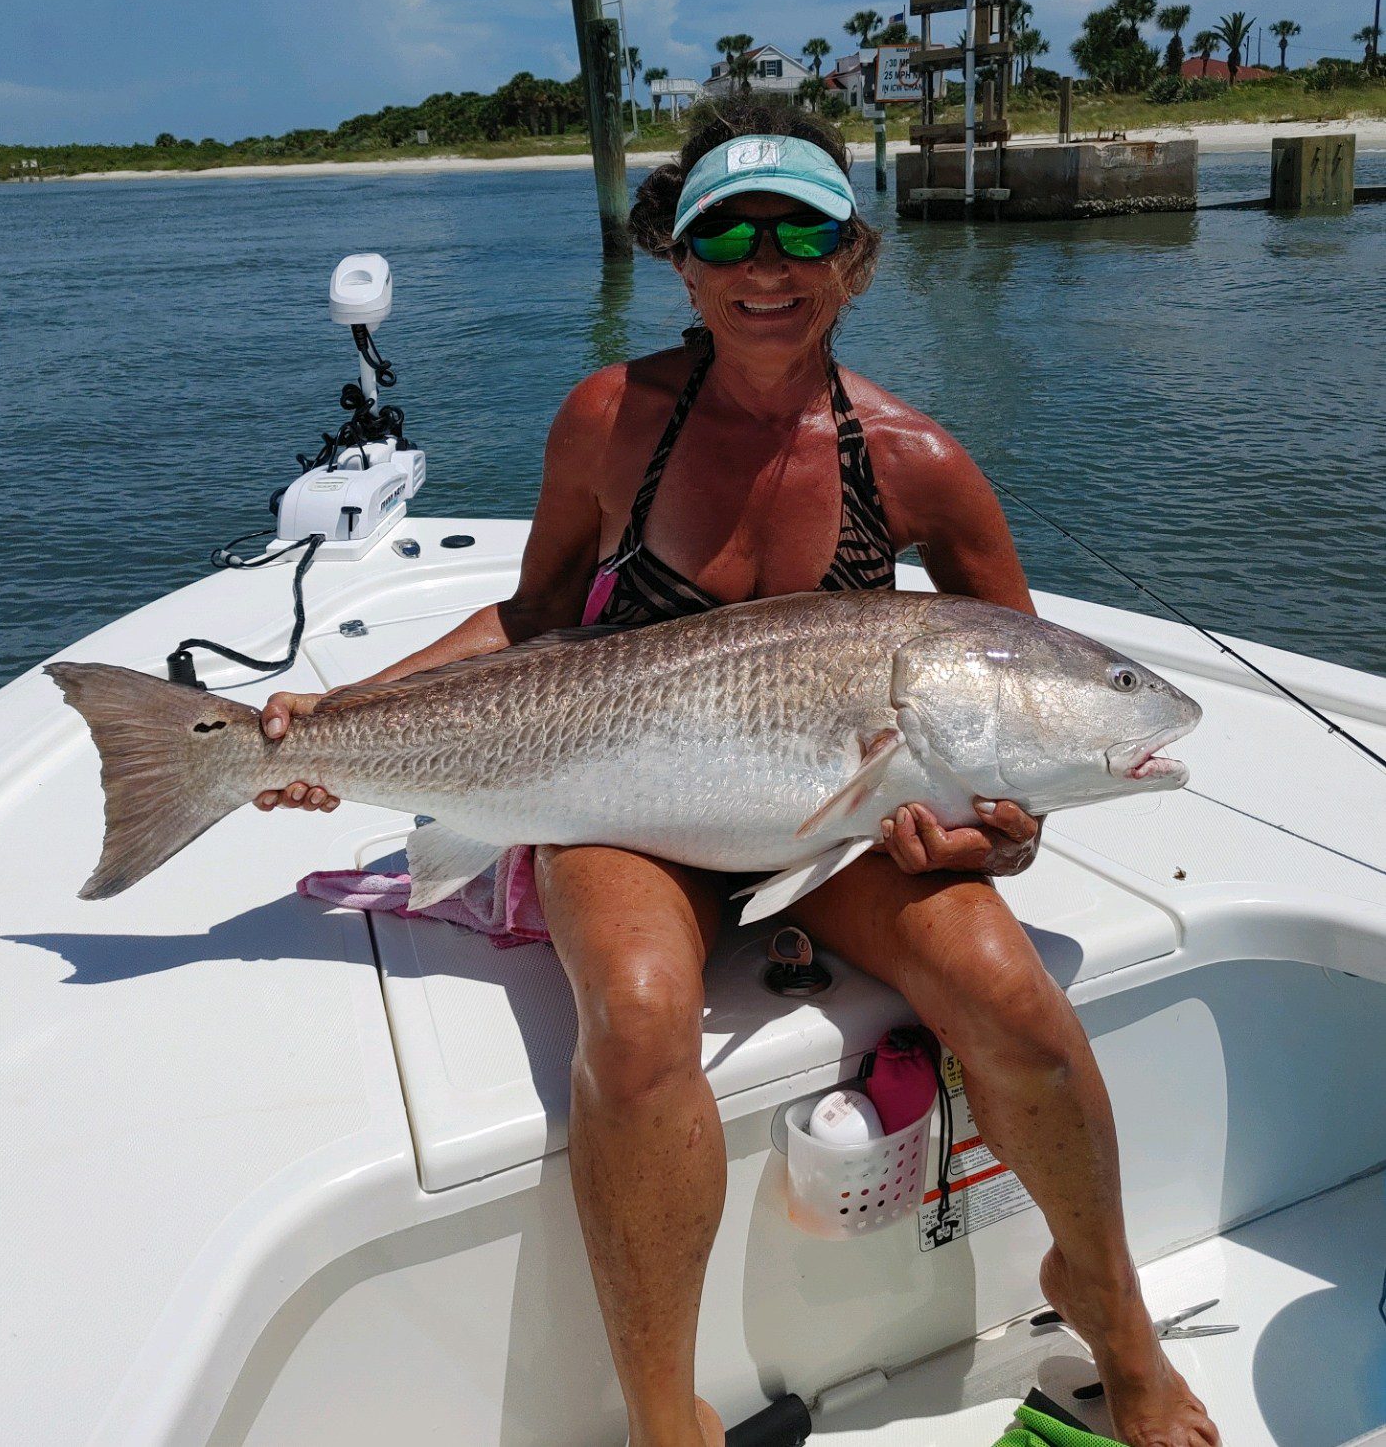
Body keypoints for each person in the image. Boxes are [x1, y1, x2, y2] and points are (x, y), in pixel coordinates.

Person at [256, 97, 1217, 1447]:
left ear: (852, 256)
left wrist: (1001, 841)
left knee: (1012, 995)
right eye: (727, 233)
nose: (765, 266)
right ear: (679, 257)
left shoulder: (919, 463)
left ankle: (1109, 1312)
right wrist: (342, 715)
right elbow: (533, 621)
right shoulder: (610, 417)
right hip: (617, 795)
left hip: (845, 818)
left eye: (801, 232)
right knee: (639, 1019)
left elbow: (1021, 689)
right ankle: (667, 1420)